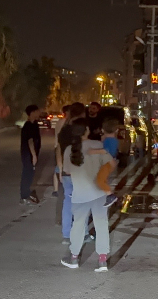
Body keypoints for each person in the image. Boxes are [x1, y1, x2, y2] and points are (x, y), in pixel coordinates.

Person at [60, 126, 117, 272]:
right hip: (98, 192)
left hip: (80, 193)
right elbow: (111, 164)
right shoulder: (97, 145)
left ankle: (74, 258)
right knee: (101, 224)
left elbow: (66, 170)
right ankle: (102, 260)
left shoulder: (69, 150)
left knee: (78, 225)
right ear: (86, 130)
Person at [56, 103, 87, 242]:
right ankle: (83, 233)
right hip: (79, 170)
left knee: (67, 203)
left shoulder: (64, 130)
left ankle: (66, 235)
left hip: (66, 170)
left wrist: (60, 168)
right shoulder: (80, 129)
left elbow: (58, 150)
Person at [20, 105, 43, 205]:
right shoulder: (28, 125)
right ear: (32, 112)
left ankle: (26, 195)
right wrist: (33, 155)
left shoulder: (35, 124)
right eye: (37, 111)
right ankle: (24, 196)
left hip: (31, 154)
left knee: (30, 174)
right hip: (28, 154)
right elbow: (30, 141)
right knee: (27, 175)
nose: (39, 113)